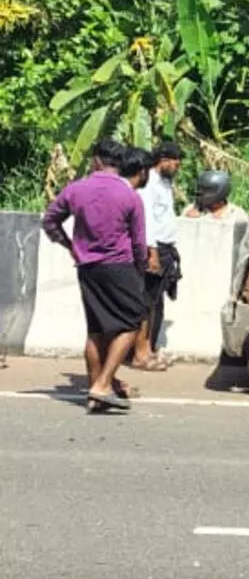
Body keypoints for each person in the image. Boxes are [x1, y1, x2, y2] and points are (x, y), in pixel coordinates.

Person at [41, 139, 150, 413]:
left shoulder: (77, 189)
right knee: (132, 321)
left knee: (96, 329)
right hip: (119, 266)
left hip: (87, 266)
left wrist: (69, 246)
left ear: (97, 161)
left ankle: (95, 395)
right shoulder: (129, 196)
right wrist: (140, 268)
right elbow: (139, 242)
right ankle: (102, 385)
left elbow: (50, 220)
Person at [132, 142, 184, 371]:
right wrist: (151, 252)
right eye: (173, 161)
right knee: (146, 302)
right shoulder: (149, 184)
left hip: (166, 248)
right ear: (161, 160)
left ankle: (150, 349)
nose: (176, 165)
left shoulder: (165, 184)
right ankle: (141, 353)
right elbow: (147, 221)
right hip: (155, 248)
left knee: (156, 302)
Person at [182, 170, 249, 223]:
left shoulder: (236, 214)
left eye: (205, 190)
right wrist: (188, 220)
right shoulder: (191, 209)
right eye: (199, 189)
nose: (200, 194)